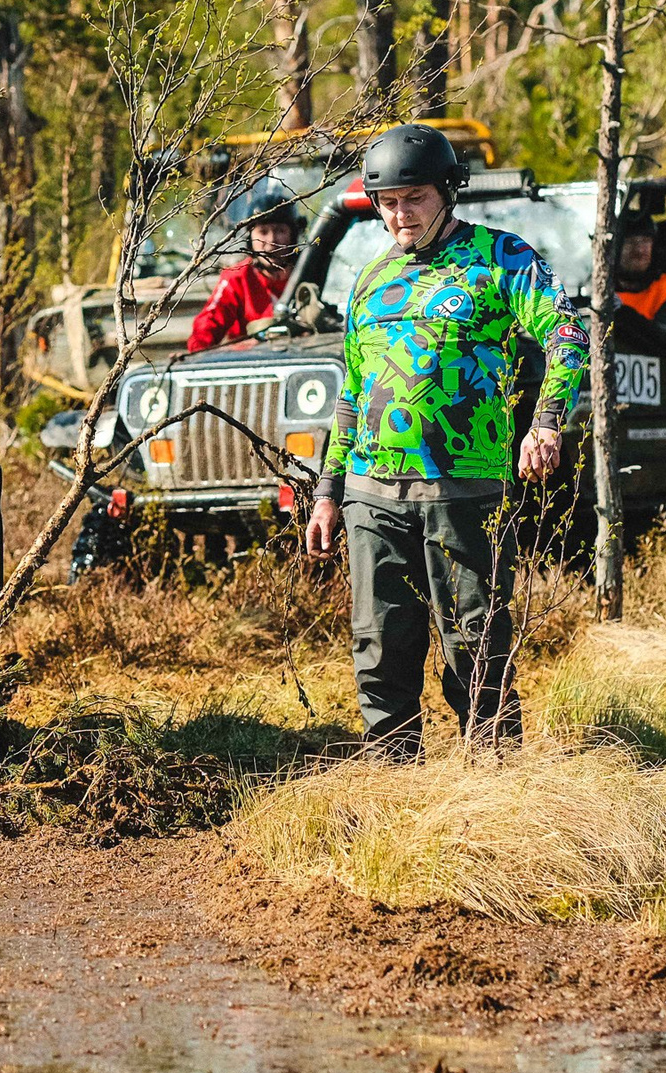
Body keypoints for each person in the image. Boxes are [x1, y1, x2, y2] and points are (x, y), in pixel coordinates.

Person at [300, 123, 586, 752]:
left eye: (416, 198)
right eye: (390, 203)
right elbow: (352, 393)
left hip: (463, 489)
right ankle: (392, 781)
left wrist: (546, 421)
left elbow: (569, 334)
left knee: (474, 642)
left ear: (447, 193)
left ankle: (491, 781)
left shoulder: (501, 259)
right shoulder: (371, 281)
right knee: (379, 646)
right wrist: (326, 491)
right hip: (370, 494)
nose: (402, 215)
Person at [185, 179, 302, 352]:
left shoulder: (309, 272)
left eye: (280, 231)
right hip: (249, 367)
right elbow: (208, 323)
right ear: (249, 238)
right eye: (262, 232)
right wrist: (196, 354)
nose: (271, 241)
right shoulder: (237, 277)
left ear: (292, 235)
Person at [616, 215, 666, 343]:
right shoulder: (596, 289)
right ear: (615, 248)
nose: (639, 250)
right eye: (630, 241)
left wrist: (626, 318)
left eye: (645, 241)